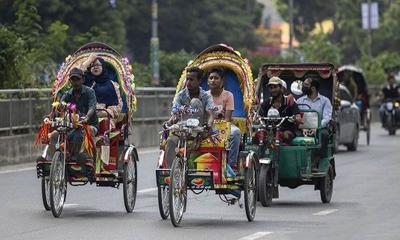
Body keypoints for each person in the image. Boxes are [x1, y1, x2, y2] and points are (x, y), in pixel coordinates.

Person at [45, 68, 99, 162]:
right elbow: (59, 107)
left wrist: (87, 117)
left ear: (82, 80)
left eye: (77, 79)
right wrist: (51, 116)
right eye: (73, 80)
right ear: (70, 81)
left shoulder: (90, 92)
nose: (75, 82)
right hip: (70, 126)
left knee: (78, 134)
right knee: (54, 135)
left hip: (89, 125)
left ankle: (76, 157)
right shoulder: (67, 94)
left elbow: (92, 107)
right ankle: (50, 161)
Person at [164, 67, 214, 168]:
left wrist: (209, 124)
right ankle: (171, 173)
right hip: (182, 129)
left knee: (195, 102)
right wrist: (170, 122)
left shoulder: (206, 96)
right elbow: (175, 113)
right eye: (187, 79)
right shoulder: (180, 95)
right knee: (170, 141)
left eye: (191, 79)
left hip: (199, 130)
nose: (188, 82)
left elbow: (211, 113)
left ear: (199, 81)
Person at [206, 67, 240, 178]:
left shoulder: (228, 95)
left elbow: (227, 119)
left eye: (216, 78)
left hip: (223, 125)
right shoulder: (204, 96)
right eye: (211, 78)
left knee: (235, 132)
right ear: (207, 81)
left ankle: (231, 165)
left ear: (222, 81)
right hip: (207, 125)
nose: (213, 80)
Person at [297, 77, 332, 171]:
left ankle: (316, 161)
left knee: (324, 135)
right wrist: (302, 127)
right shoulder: (300, 101)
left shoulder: (325, 101)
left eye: (306, 85)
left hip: (319, 128)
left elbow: (327, 118)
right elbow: (296, 116)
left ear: (313, 88)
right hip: (302, 128)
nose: (303, 87)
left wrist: (316, 127)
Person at [81, 54, 123, 129]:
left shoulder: (112, 85)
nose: (95, 67)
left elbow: (117, 107)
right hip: (84, 117)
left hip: (104, 119)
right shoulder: (85, 81)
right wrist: (89, 60)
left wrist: (100, 113)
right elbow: (74, 74)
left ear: (103, 67)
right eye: (92, 65)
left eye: (97, 65)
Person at [259, 76, 302, 144]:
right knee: (257, 135)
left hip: (286, 130)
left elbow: (298, 115)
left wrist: (297, 117)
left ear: (281, 88)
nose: (273, 90)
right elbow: (260, 116)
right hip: (270, 130)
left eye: (275, 87)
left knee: (286, 135)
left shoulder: (289, 101)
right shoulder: (266, 103)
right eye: (271, 88)